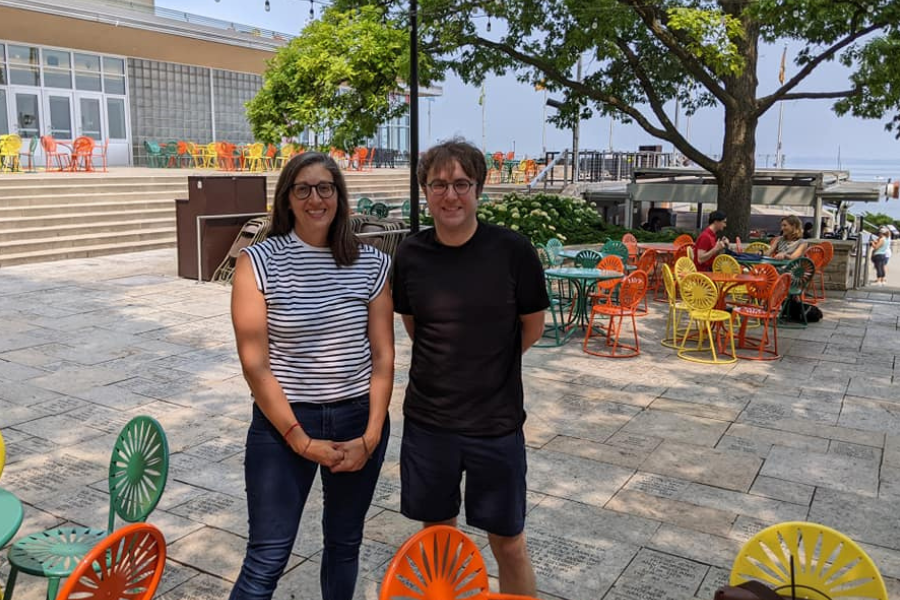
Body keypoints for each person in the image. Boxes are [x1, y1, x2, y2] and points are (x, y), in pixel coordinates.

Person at [229, 152, 394, 600]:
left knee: (344, 546)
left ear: (340, 197)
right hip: (283, 422)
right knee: (268, 555)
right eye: (303, 188)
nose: (315, 198)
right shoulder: (257, 262)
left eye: (325, 188)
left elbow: (383, 357)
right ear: (287, 198)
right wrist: (299, 438)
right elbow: (255, 364)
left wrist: (371, 436)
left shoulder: (372, 263)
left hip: (357, 419)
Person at [391, 138, 549, 596]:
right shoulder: (411, 255)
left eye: (461, 183)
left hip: (495, 424)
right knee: (438, 538)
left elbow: (532, 327)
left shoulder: (512, 251)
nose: (450, 195)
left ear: (479, 189)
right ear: (425, 191)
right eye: (438, 184)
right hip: (429, 423)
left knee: (509, 541)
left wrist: (485, 360)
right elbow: (415, 324)